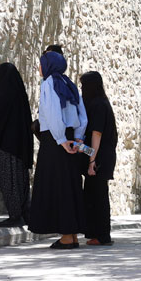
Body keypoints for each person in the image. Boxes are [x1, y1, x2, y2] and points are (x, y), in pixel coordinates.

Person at [26, 50, 88, 248]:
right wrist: (77, 137)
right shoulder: (68, 83)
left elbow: (52, 113)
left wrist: (61, 139)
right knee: (69, 185)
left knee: (56, 186)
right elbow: (82, 114)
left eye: (41, 63)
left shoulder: (49, 84)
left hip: (55, 141)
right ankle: (72, 233)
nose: (38, 67)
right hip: (70, 138)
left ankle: (67, 236)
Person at [0, 62, 34, 227]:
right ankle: (24, 212)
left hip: (6, 147)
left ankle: (15, 216)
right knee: (21, 181)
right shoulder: (20, 97)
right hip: (21, 148)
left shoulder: (1, 99)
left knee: (9, 181)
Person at [80, 71, 117, 246]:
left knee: (98, 197)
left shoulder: (98, 105)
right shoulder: (102, 103)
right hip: (101, 155)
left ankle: (102, 236)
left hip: (99, 157)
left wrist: (91, 161)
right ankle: (97, 234)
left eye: (83, 86)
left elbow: (97, 134)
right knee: (94, 195)